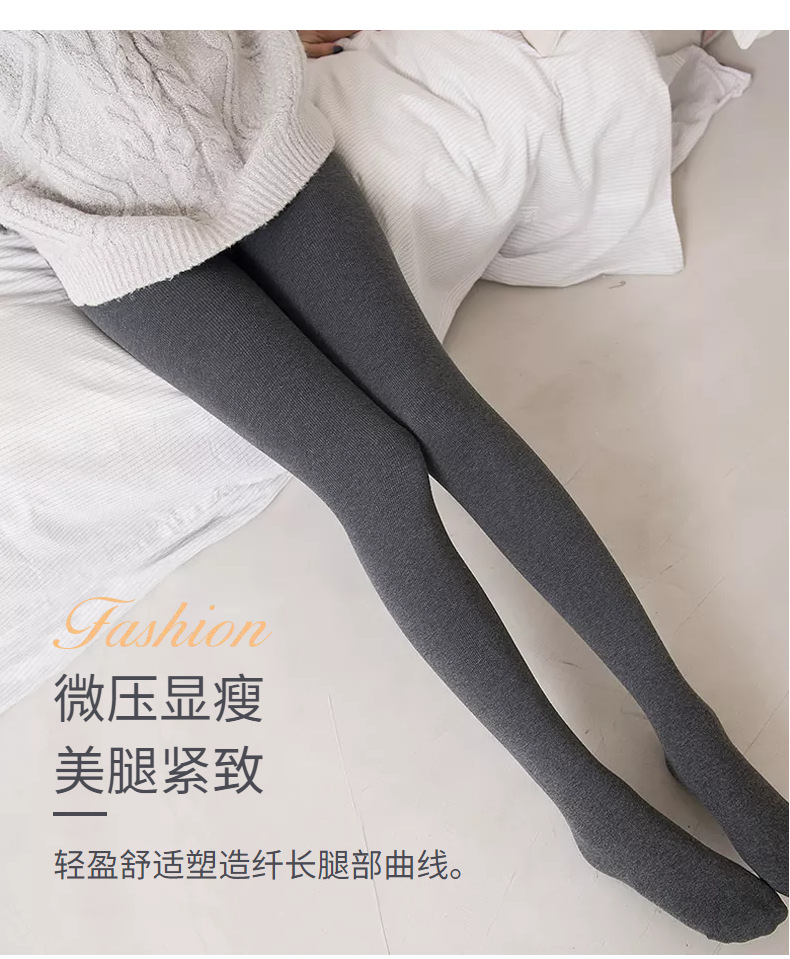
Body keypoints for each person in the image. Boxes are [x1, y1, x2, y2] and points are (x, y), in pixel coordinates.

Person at [0, 29, 786, 943]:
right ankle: (584, 799)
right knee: (368, 469)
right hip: (92, 218)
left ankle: (689, 727)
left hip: (248, 124)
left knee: (442, 409)